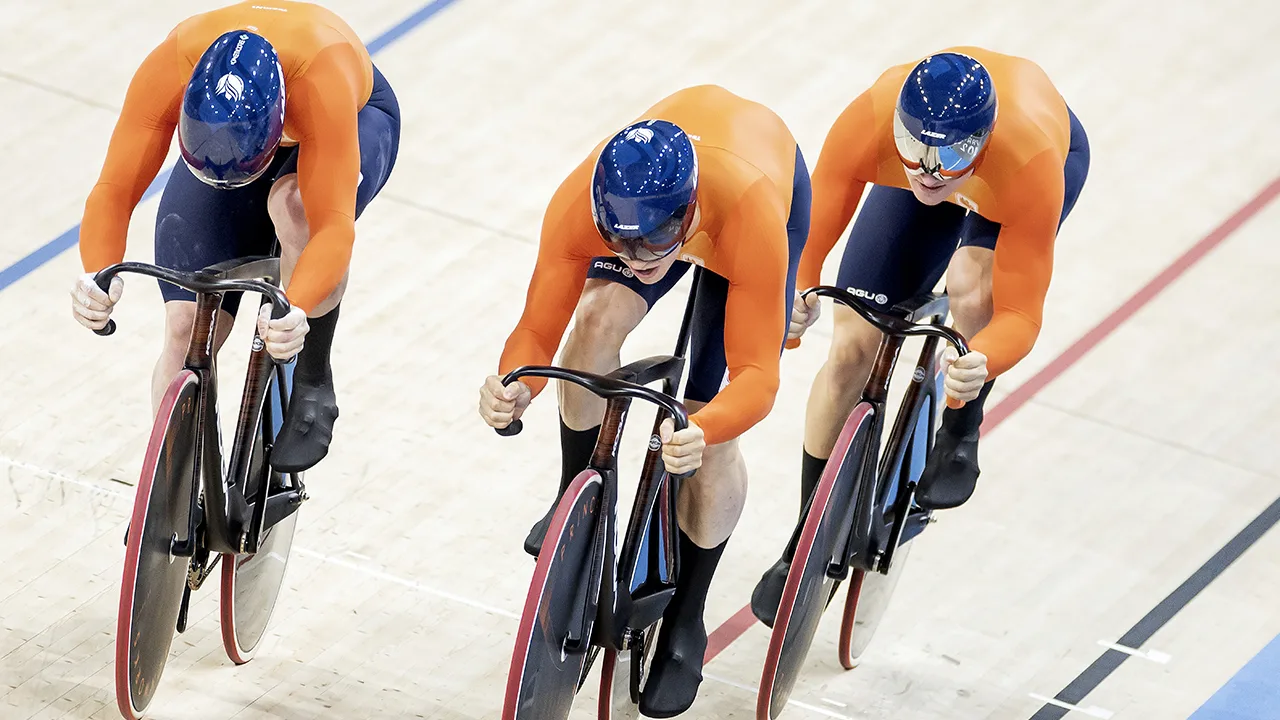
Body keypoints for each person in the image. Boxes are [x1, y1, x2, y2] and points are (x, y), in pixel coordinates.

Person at [477, 85, 810, 716]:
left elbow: (758, 378)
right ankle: (576, 495)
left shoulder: (750, 216)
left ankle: (688, 616)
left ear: (683, 218)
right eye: (620, 245)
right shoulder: (585, 204)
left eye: (652, 245)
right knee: (596, 317)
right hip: (671, 197)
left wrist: (707, 426)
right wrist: (516, 381)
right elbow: (536, 331)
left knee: (709, 422)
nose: (635, 261)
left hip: (758, 186)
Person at [752, 48, 1090, 626]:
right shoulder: (872, 120)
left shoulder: (1027, 162)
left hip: (1017, 173)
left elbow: (1022, 313)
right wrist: (800, 292)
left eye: (948, 156)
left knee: (971, 285)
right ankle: (805, 541)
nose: (928, 171)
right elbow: (809, 235)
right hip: (958, 160)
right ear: (898, 129)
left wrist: (981, 358)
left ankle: (961, 425)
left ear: (979, 142)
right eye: (913, 149)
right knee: (850, 352)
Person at [69, 1, 400, 473]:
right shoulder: (173, 62)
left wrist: (297, 308)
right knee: (186, 330)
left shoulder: (321, 80)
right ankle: (174, 487)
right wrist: (96, 273)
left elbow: (333, 227)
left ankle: (311, 380)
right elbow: (114, 188)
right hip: (238, 134)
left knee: (294, 206)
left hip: (358, 114)